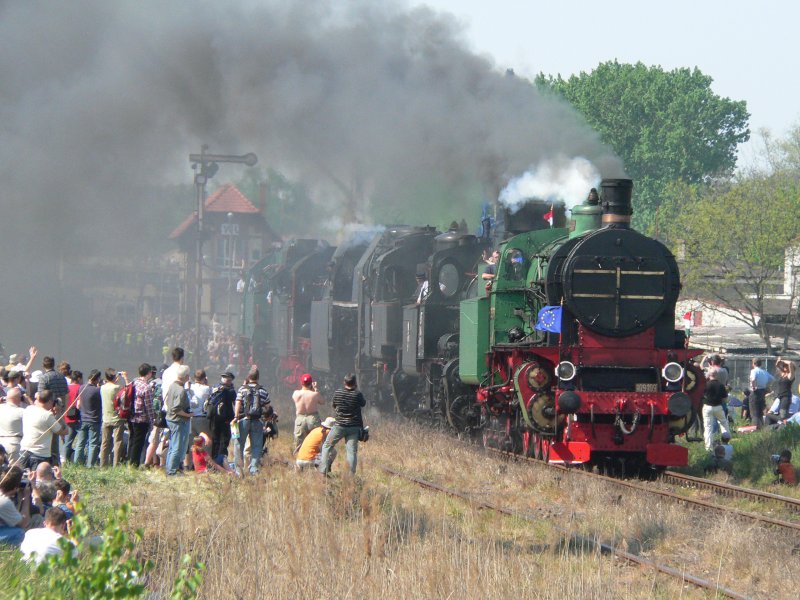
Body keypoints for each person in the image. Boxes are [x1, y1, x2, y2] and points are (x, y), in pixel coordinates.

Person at [319, 373, 366, 476]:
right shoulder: (357, 394)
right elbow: (363, 403)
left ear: (344, 382)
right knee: (351, 452)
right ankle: (350, 476)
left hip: (339, 426)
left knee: (327, 446)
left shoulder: (338, 393)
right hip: (354, 427)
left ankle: (323, 471)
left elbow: (334, 405)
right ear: (355, 383)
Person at [233, 367, 270, 476]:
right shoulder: (263, 390)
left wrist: (236, 416)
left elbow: (238, 403)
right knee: (256, 446)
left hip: (243, 420)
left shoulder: (242, 389)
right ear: (258, 378)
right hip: (257, 421)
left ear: (248, 377)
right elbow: (268, 407)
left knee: (239, 445)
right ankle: (254, 469)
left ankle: (239, 471)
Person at [20, 390, 68, 470]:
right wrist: (59, 413)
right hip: (40, 454)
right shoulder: (47, 416)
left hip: (25, 451)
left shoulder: (28, 409)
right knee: (39, 480)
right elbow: (64, 431)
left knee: (24, 479)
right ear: (50, 402)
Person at [164, 365, 192, 476]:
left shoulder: (172, 386)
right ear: (186, 376)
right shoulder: (181, 391)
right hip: (177, 420)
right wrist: (188, 414)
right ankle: (172, 471)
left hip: (170, 419)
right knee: (177, 446)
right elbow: (176, 409)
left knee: (172, 446)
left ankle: (169, 468)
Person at [73, 370, 103, 467]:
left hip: (83, 419)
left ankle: (76, 463)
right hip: (94, 420)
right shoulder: (97, 390)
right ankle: (90, 465)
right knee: (93, 444)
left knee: (80, 443)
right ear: (97, 379)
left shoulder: (81, 388)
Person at [127, 363, 155, 467]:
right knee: (138, 443)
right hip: (141, 418)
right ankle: (134, 464)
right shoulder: (146, 387)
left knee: (132, 440)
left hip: (131, 416)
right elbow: (149, 406)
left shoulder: (133, 383)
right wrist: (152, 420)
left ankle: (128, 461)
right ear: (149, 373)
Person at [207, 372, 236, 465]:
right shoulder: (225, 390)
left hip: (220, 419)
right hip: (220, 419)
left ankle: (218, 462)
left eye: (226, 378)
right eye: (225, 377)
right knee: (220, 441)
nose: (226, 379)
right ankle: (218, 462)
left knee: (219, 441)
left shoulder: (221, 389)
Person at [100, 369, 127, 467]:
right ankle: (116, 464)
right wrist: (125, 378)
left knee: (105, 443)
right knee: (117, 442)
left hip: (106, 418)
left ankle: (103, 465)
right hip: (116, 418)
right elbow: (126, 392)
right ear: (115, 377)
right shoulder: (118, 387)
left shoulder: (102, 388)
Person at [292, 373, 325, 454]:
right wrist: (315, 389)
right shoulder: (314, 394)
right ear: (311, 383)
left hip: (300, 418)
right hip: (313, 418)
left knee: (299, 442)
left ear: (301, 383)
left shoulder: (296, 393)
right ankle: (316, 459)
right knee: (316, 441)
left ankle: (298, 459)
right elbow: (322, 401)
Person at [0, 465, 31, 546]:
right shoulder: (4, 501)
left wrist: (19, 500)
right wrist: (26, 498)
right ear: (15, 486)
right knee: (19, 532)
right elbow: (23, 523)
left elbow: (14, 517)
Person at [186, 369, 211, 469]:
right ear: (204, 378)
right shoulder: (207, 388)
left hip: (190, 417)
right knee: (205, 442)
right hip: (202, 417)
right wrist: (207, 383)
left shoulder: (189, 388)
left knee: (191, 443)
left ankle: (190, 464)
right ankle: (206, 464)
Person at [702, 370, 730, 451]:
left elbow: (702, 395)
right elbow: (725, 398)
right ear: (716, 375)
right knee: (724, 423)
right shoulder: (721, 385)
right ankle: (726, 444)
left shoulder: (705, 385)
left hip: (707, 407)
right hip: (718, 407)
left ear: (708, 375)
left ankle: (708, 448)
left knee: (708, 428)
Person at [0, 387, 27, 462]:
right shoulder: (22, 412)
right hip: (14, 443)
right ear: (18, 398)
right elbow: (35, 414)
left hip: (1, 441)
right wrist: (27, 402)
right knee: (13, 471)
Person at [749, 358, 774, 428]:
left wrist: (754, 387)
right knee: (760, 412)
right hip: (763, 391)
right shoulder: (764, 372)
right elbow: (773, 379)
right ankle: (761, 427)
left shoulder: (754, 371)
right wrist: (768, 386)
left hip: (756, 392)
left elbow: (753, 379)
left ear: (754, 363)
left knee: (754, 412)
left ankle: (755, 428)